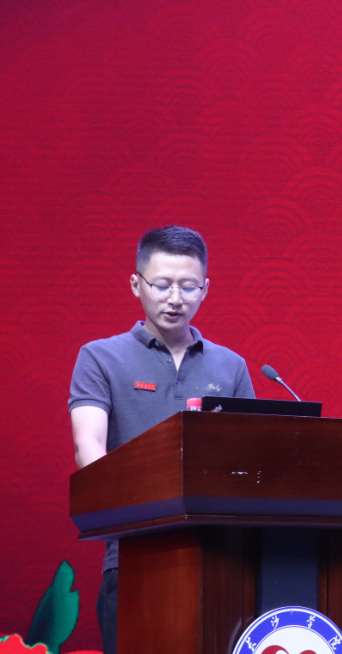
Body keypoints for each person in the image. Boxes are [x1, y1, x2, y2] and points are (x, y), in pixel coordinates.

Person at [68, 226, 255, 654]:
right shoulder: (100, 357)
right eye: (162, 284)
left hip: (220, 557)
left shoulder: (231, 367)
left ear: (205, 289)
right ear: (137, 284)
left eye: (188, 287)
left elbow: (249, 457)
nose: (175, 298)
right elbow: (88, 445)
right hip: (134, 554)